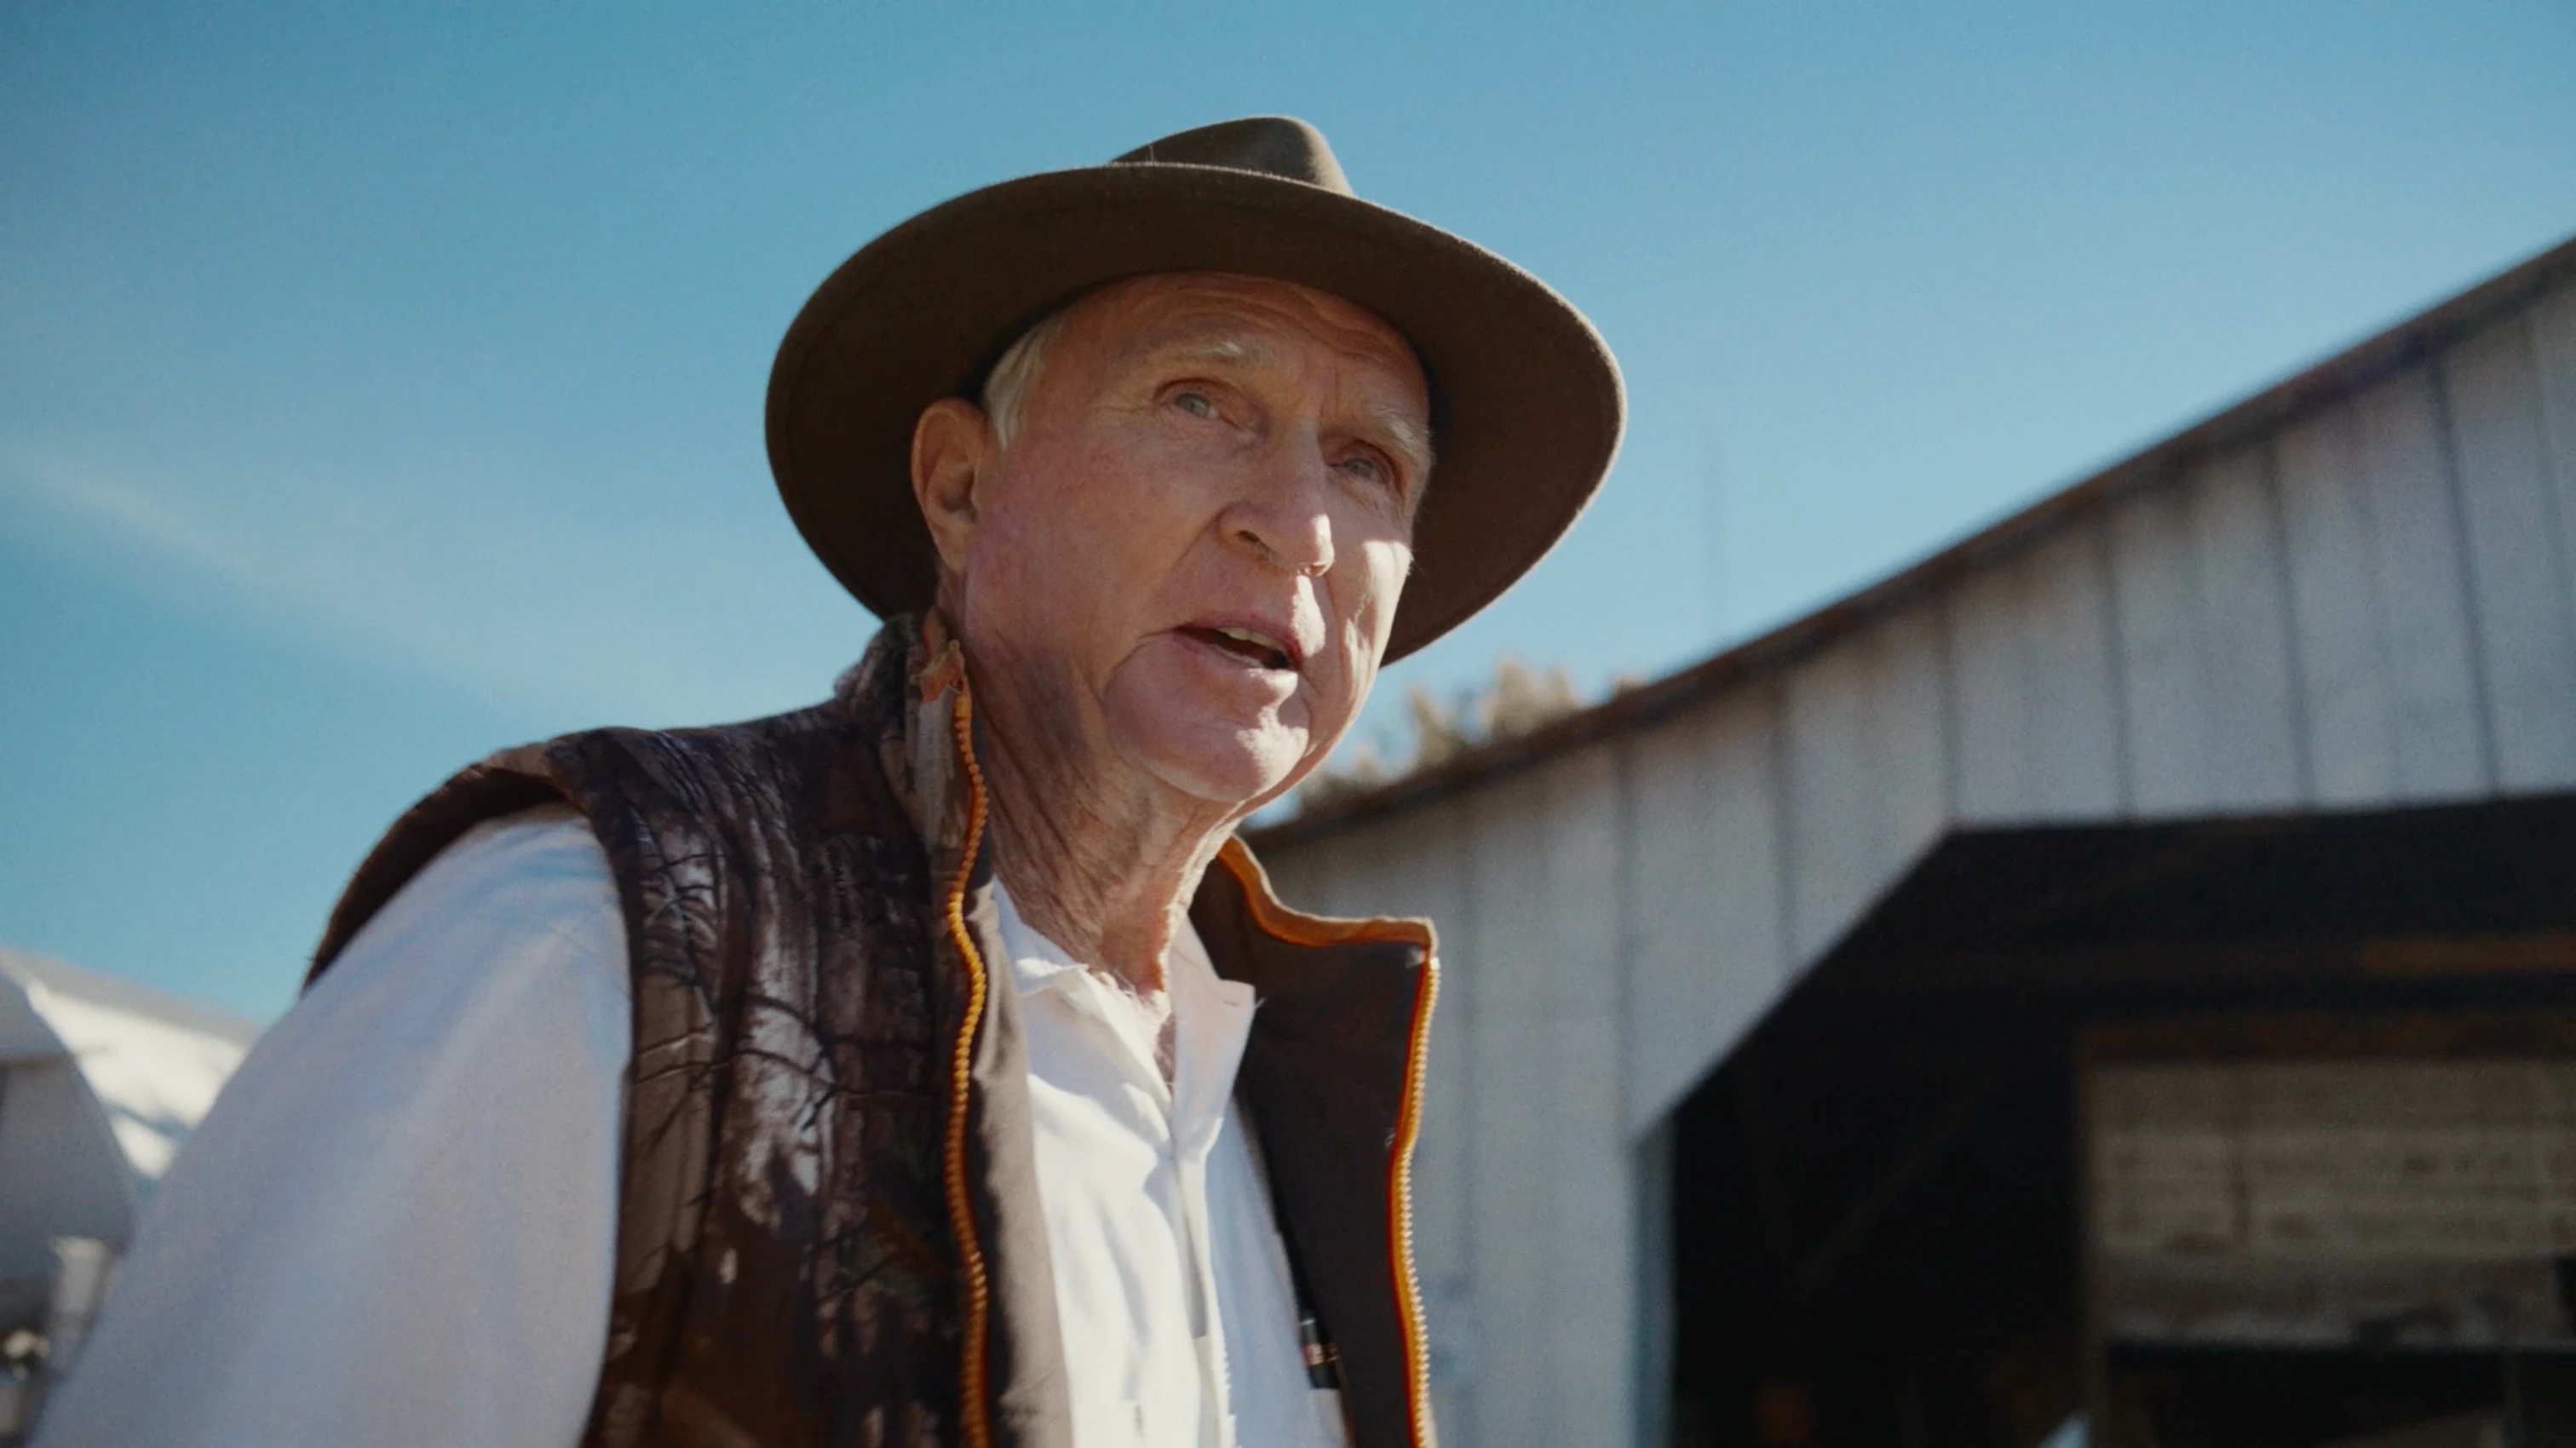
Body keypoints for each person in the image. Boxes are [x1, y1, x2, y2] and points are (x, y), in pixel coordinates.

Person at [37, 117, 1621, 1448]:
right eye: (1203, 401)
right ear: (959, 485)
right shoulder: (595, 949)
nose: (1301, 521)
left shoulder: (1268, 1098)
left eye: (1371, 463)